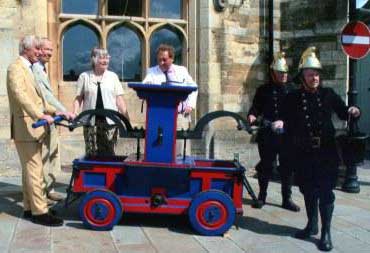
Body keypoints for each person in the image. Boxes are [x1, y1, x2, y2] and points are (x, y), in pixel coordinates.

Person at [282, 47, 360, 251]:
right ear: (302, 77)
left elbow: (344, 113)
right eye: (310, 74)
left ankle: (325, 233)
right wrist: (279, 125)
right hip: (303, 153)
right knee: (307, 190)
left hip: (326, 153)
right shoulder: (292, 98)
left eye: (317, 74)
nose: (315, 77)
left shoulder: (328, 94)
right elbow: (286, 122)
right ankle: (311, 225)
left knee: (326, 193)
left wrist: (353, 110)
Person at [7, 35, 69, 226]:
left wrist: (56, 111)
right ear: (27, 49)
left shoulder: (29, 68)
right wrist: (39, 115)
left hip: (33, 128)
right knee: (35, 170)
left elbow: (38, 99)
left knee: (29, 171)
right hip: (26, 127)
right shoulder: (16, 68)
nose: (40, 52)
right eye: (37, 49)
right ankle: (40, 212)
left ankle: (28, 207)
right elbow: (20, 95)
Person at [247, 51, 300, 212]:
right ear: (273, 73)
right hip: (268, 134)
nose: (283, 75)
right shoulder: (263, 90)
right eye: (280, 72)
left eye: (285, 72)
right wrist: (252, 114)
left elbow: (297, 114)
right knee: (265, 166)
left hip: (287, 136)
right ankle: (262, 196)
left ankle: (286, 199)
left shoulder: (293, 90)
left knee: (287, 167)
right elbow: (255, 108)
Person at [73, 48, 129, 157]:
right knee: (91, 152)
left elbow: (119, 99)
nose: (105, 61)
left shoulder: (113, 77)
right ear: (94, 60)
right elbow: (78, 98)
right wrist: (75, 112)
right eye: (102, 58)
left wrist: (126, 118)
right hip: (91, 122)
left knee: (109, 152)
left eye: (107, 58)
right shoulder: (84, 77)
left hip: (110, 122)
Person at [142, 44, 198, 155]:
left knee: (181, 150)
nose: (161, 63)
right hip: (160, 116)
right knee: (161, 147)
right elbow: (144, 86)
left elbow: (194, 88)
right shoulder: (152, 72)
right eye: (159, 60)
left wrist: (190, 105)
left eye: (164, 60)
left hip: (181, 116)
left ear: (172, 58)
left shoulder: (182, 71)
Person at [32, 37, 67, 202]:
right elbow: (46, 96)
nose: (50, 54)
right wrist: (65, 111)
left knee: (53, 152)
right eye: (47, 50)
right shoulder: (35, 70)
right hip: (43, 118)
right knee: (45, 155)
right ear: (38, 50)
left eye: (52, 50)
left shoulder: (42, 68)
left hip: (51, 118)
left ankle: (49, 188)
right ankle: (44, 192)